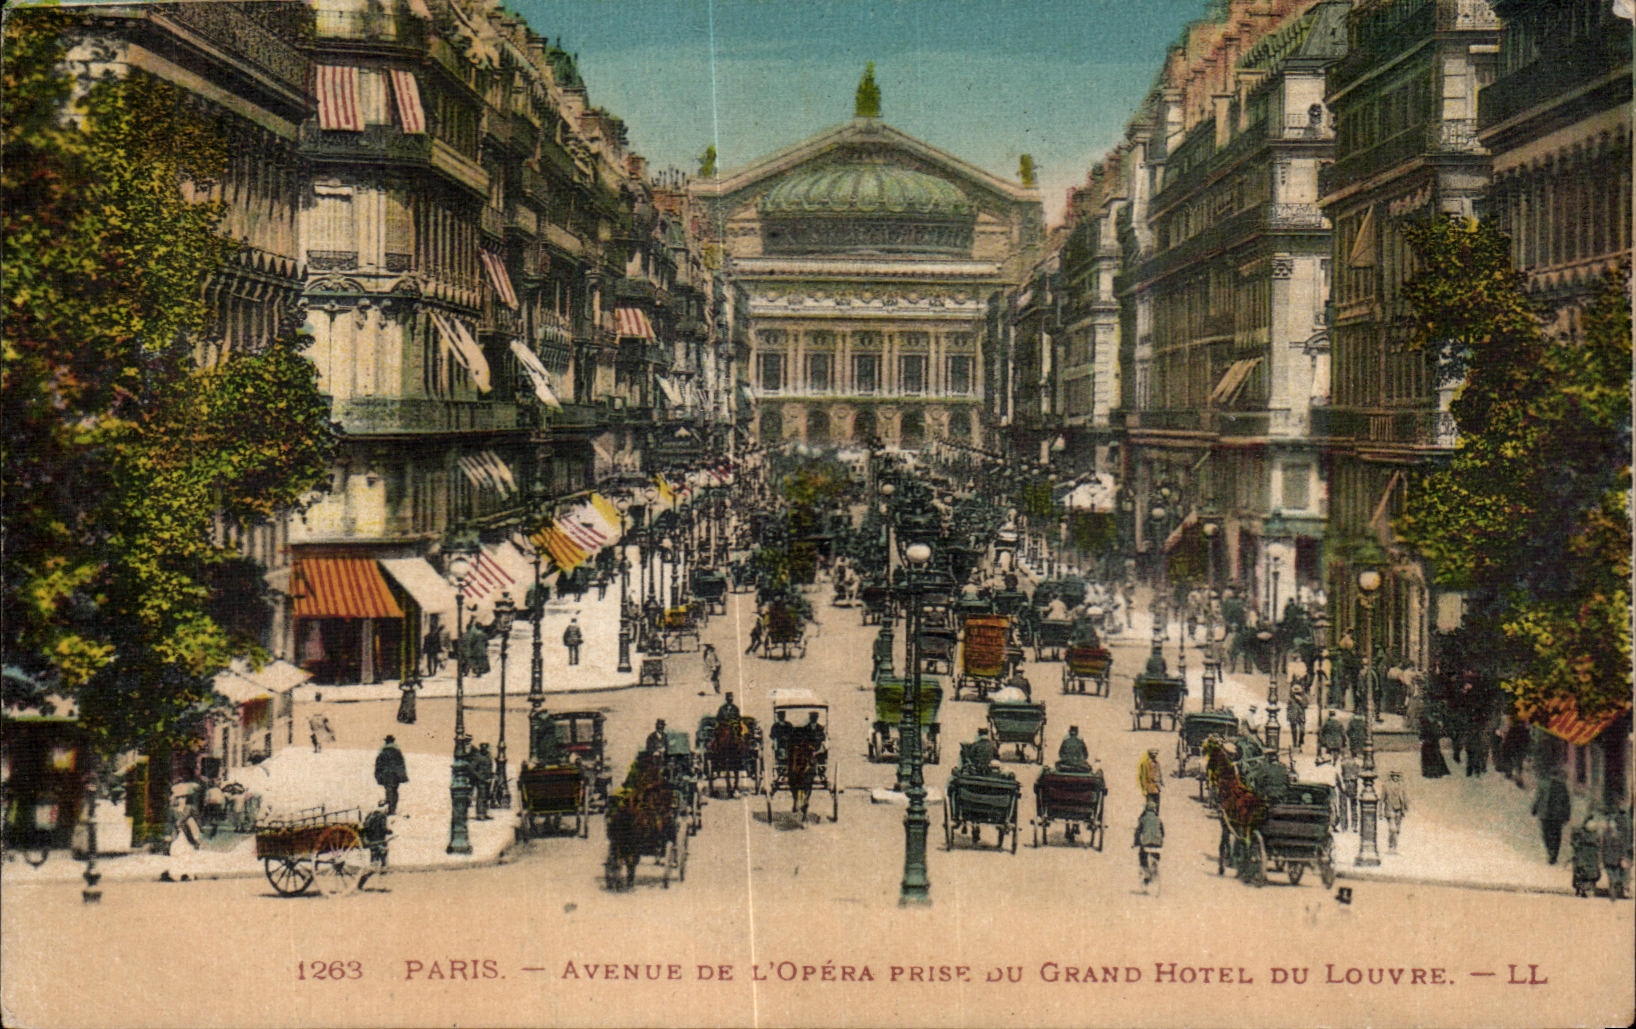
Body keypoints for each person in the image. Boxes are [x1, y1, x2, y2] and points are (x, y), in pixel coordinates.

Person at [1532, 770, 1572, 864]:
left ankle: (1553, 854)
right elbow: (1539, 797)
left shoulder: (1561, 786)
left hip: (1554, 815)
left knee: (1554, 835)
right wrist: (1535, 808)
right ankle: (1551, 852)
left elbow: (1566, 802)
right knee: (1548, 834)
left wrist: (1566, 815)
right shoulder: (1544, 785)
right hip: (1547, 814)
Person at [374, 735, 409, 815]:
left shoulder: (382, 752)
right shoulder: (397, 752)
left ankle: (390, 807)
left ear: (386, 742)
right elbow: (401, 765)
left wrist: (377, 775)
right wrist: (402, 776)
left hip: (385, 775)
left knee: (389, 790)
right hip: (395, 776)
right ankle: (392, 808)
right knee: (394, 791)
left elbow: (378, 765)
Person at [1134, 798, 1165, 891]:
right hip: (1158, 845)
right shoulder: (1159, 820)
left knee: (1142, 856)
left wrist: (1136, 843)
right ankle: (1155, 866)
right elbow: (1163, 833)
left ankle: (1146, 872)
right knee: (1156, 856)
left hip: (1146, 844)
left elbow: (1138, 832)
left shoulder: (1143, 819)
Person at [1380, 769, 1410, 852]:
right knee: (1392, 829)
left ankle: (1394, 847)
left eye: (1398, 776)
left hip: (1399, 810)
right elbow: (1382, 799)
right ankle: (1390, 846)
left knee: (1397, 830)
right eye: (1394, 776)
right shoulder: (1386, 785)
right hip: (1390, 809)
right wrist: (1380, 811)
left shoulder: (1401, 785)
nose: (1396, 778)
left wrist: (1406, 807)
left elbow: (1404, 797)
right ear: (1391, 777)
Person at [1335, 754, 1360, 832]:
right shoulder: (1356, 762)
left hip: (1345, 782)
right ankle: (1354, 825)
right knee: (1353, 805)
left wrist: (1341, 784)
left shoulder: (1341, 762)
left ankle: (1344, 826)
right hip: (1353, 783)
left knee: (1343, 805)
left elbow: (1338, 774)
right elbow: (1359, 773)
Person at [469, 742, 494, 820]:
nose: (484, 748)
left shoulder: (488, 755)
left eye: (486, 746)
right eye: (483, 746)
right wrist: (479, 776)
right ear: (480, 747)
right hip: (481, 780)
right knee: (481, 797)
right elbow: (471, 768)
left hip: (488, 779)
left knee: (486, 797)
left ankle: (485, 813)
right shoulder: (478, 756)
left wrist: (492, 775)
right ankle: (480, 814)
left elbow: (490, 766)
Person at [1137, 747, 1163, 815]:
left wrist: (1161, 782)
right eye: (1152, 754)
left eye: (1155, 754)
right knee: (1149, 807)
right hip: (1149, 788)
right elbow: (1142, 777)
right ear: (1149, 755)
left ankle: (1156, 821)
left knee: (1157, 807)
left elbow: (1159, 773)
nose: (1154, 756)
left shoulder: (1157, 763)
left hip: (1157, 788)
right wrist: (1144, 789)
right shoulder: (1145, 764)